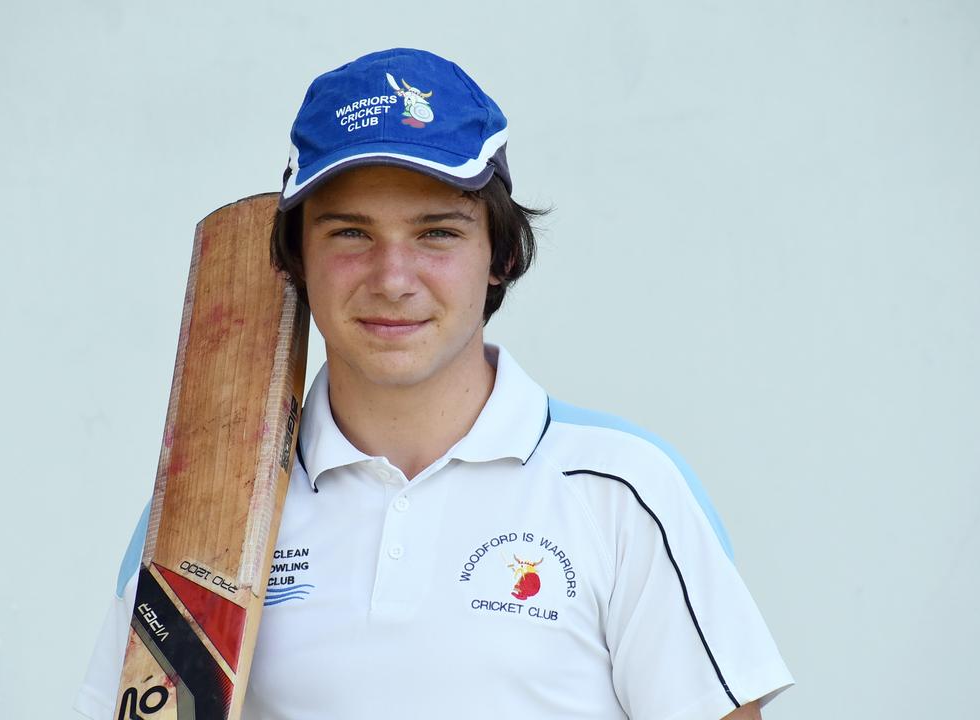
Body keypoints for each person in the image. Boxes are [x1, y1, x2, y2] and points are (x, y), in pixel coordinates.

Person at [76, 47, 793, 720]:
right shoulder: (211, 508)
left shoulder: (621, 493)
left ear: (501, 254)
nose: (392, 280)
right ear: (294, 262)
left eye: (437, 233)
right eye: (350, 234)